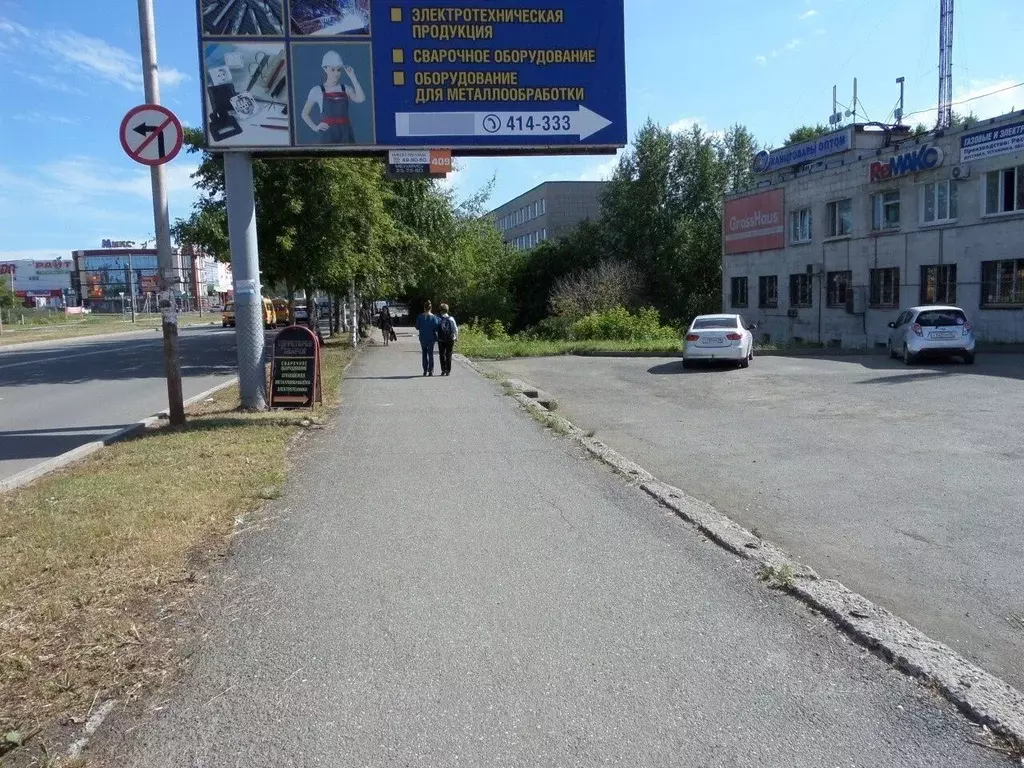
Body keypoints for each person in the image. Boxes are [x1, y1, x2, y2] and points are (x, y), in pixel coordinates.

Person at [301, 50, 366, 145]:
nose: (336, 73)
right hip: (328, 135)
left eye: (339, 70)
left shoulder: (346, 88)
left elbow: (361, 99)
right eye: (333, 69)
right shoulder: (317, 90)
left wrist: (353, 77)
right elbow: (304, 114)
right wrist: (315, 127)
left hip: (346, 134)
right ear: (325, 68)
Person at [414, 300, 440, 376]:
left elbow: (417, 327)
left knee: (424, 353)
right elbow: (436, 328)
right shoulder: (434, 317)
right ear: (431, 308)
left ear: (424, 308)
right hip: (431, 337)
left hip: (423, 337)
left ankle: (425, 370)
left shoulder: (420, 317)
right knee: (431, 354)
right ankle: (431, 371)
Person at [436, 303, 459, 376]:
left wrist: (437, 337)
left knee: (442, 354)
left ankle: (443, 370)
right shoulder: (451, 318)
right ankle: (448, 371)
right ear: (447, 310)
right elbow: (455, 329)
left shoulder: (438, 319)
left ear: (440, 310)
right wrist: (456, 337)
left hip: (441, 339)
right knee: (449, 354)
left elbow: (436, 329)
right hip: (450, 339)